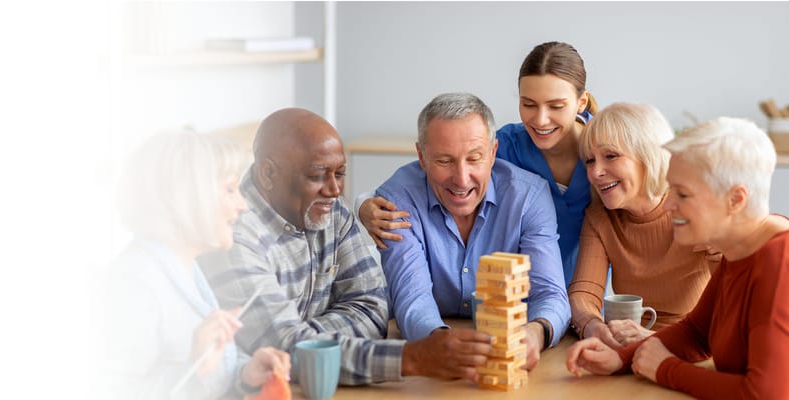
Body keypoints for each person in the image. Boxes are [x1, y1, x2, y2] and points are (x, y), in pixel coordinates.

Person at [203, 107, 497, 385]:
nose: (335, 190)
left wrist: (306, 340)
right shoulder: (231, 236)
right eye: (317, 176)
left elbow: (373, 309)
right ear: (268, 175)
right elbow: (282, 352)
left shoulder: (328, 208)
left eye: (340, 174)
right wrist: (410, 359)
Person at [566, 117, 789, 399]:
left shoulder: (778, 263)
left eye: (682, 194)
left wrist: (665, 369)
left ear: (735, 200)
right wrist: (620, 359)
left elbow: (765, 395)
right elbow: (696, 334)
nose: (669, 204)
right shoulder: (740, 252)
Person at [359, 41, 597, 286]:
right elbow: (430, 170)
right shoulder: (504, 146)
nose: (540, 119)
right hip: (517, 302)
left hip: (586, 300)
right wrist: (363, 205)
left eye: (556, 106)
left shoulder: (607, 148)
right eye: (528, 104)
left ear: (581, 102)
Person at [375, 93, 570, 370]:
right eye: (444, 161)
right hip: (429, 360)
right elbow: (411, 297)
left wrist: (536, 333)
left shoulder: (529, 196)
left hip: (512, 354)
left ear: (493, 153)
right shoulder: (396, 200)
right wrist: (442, 345)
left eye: (475, 159)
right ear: (421, 156)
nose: (462, 178)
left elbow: (550, 293)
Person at [101, 132, 290, 400]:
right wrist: (193, 369)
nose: (243, 205)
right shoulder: (135, 284)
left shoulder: (186, 268)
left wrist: (245, 373)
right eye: (229, 189)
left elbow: (210, 370)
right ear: (189, 198)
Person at [569, 102, 716, 348]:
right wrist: (593, 326)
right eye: (590, 161)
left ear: (648, 155)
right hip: (628, 348)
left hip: (695, 348)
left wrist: (659, 341)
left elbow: (736, 305)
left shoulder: (698, 206)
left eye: (611, 156)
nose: (595, 172)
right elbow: (584, 293)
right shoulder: (600, 219)